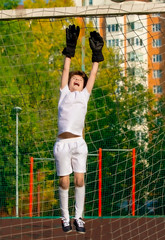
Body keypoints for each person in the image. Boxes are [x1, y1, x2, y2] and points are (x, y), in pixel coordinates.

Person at [53, 24, 104, 234]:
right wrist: (70, 49)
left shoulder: (84, 95)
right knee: (64, 181)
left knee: (79, 179)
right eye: (75, 78)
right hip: (62, 144)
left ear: (83, 85)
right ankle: (65, 217)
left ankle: (78, 217)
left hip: (78, 143)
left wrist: (97, 55)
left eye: (80, 80)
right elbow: (66, 69)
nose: (77, 79)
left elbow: (92, 74)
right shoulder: (64, 92)